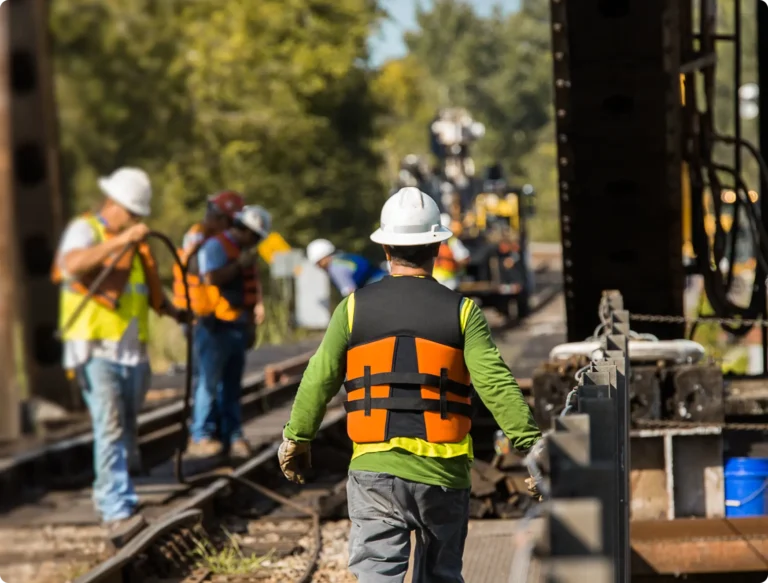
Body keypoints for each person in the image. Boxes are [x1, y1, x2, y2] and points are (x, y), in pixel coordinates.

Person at [278, 187, 543, 582]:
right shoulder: (463, 312)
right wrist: (532, 447)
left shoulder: (352, 309)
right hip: (443, 474)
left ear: (385, 247)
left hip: (374, 472)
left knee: (376, 574)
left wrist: (297, 438)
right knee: (441, 574)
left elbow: (319, 378)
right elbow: (496, 384)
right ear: (437, 247)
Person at [51, 167, 186, 543]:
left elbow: (149, 294)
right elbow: (71, 265)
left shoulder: (136, 244)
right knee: (109, 426)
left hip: (132, 354)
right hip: (95, 349)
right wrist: (121, 240)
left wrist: (177, 312)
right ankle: (115, 508)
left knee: (124, 428)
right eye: (132, 213)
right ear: (114, 204)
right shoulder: (85, 230)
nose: (136, 221)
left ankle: (115, 490)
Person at [187, 205, 272, 459]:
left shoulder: (241, 251)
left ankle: (231, 435)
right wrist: (237, 265)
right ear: (244, 229)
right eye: (255, 237)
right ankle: (201, 436)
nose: (255, 242)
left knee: (232, 387)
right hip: (215, 326)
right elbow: (211, 277)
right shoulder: (216, 246)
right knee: (208, 384)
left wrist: (251, 324)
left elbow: (249, 288)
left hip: (236, 325)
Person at [172, 190, 246, 315]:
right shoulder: (199, 234)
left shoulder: (224, 238)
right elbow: (195, 268)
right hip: (198, 310)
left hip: (216, 310)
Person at [306, 238, 386, 297]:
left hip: (375, 288)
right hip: (383, 278)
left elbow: (350, 293)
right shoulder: (342, 256)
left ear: (324, 257)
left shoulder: (335, 269)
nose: (318, 267)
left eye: (319, 262)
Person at [433, 213, 470, 290]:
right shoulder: (432, 242)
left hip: (450, 283)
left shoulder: (453, 242)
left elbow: (465, 258)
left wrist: (456, 266)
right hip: (435, 282)